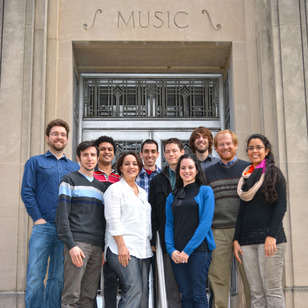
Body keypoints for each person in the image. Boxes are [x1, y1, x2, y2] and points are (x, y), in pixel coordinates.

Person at [21, 119, 79, 308]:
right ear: (47, 138)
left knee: (57, 279)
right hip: (43, 227)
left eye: (62, 134)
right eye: (55, 134)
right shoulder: (35, 162)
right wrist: (37, 218)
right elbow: (27, 191)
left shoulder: (74, 167)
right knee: (35, 278)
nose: (59, 137)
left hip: (66, 231)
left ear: (67, 139)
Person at [233, 134, 287, 308]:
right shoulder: (246, 177)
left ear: (267, 150)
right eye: (251, 148)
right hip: (247, 242)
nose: (254, 151)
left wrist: (271, 236)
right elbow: (242, 212)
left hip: (270, 240)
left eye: (258, 147)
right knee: (256, 291)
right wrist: (236, 239)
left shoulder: (274, 173)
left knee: (272, 289)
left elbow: (281, 207)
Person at [56, 141, 107, 307]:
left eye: (93, 155)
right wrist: (71, 245)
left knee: (88, 297)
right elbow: (62, 216)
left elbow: (102, 221)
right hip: (77, 244)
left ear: (98, 158)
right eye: (85, 155)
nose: (89, 158)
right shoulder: (69, 180)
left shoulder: (101, 187)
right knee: (72, 295)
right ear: (78, 158)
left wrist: (102, 249)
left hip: (96, 247)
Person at [204, 129, 251, 308]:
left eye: (228, 143)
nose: (225, 147)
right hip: (218, 231)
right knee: (218, 280)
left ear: (236, 145)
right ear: (215, 148)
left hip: (245, 231)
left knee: (249, 279)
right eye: (221, 144)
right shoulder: (208, 173)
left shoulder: (248, 169)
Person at [165, 154, 216, 308]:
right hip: (177, 252)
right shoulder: (171, 196)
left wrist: (187, 251)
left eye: (190, 167)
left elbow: (205, 223)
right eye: (183, 168)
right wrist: (171, 249)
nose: (187, 171)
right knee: (185, 294)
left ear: (196, 170)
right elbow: (169, 224)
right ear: (178, 171)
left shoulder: (206, 191)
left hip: (199, 250)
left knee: (198, 293)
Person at [104, 151, 153, 307]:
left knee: (144, 292)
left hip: (143, 248)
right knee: (133, 289)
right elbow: (113, 219)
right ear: (120, 167)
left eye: (134, 164)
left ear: (139, 167)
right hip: (122, 248)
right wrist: (121, 246)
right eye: (127, 164)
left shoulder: (143, 193)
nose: (131, 167)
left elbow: (144, 221)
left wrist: (149, 240)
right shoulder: (115, 189)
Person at [149, 138, 184, 308]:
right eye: (168, 151)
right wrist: (153, 239)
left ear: (182, 152)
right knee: (169, 284)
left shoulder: (191, 176)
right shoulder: (157, 180)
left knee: (191, 285)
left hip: (188, 238)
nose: (171, 154)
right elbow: (153, 212)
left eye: (174, 151)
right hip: (166, 239)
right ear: (164, 154)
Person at [93, 135, 120, 308]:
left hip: (113, 233)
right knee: (92, 279)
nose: (107, 152)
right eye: (103, 149)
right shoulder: (91, 175)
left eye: (110, 149)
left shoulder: (120, 177)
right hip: (94, 231)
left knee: (111, 278)